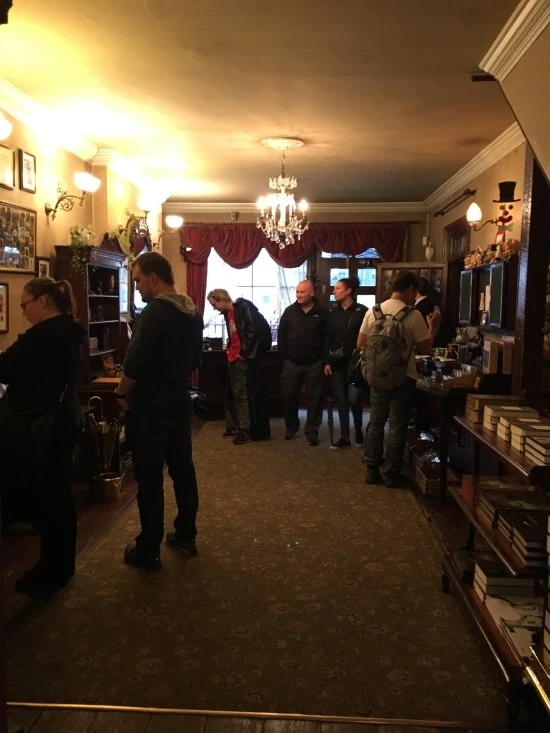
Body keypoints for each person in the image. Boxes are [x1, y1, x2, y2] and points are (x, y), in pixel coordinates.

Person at [116, 252, 203, 570]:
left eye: (138, 280)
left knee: (150, 478)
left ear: (153, 278)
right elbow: (195, 359)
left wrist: (121, 392)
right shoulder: (192, 311)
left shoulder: (153, 312)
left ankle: (148, 548)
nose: (137, 287)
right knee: (183, 470)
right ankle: (186, 535)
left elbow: (135, 362)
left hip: (151, 405)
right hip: (180, 399)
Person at [0, 277, 86, 595]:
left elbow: (6, 368)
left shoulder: (44, 335)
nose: (22, 311)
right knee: (57, 497)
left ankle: (52, 570)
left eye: (24, 304)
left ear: (42, 301)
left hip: (45, 426)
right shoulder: (66, 331)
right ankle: (60, 565)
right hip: (61, 421)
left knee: (47, 499)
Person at [358, 271, 441, 487]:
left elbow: (360, 344)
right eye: (414, 291)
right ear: (410, 288)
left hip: (377, 376)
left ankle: (371, 470)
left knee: (375, 423)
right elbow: (425, 348)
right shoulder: (412, 315)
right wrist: (433, 328)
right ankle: (391, 473)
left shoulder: (373, 311)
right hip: (404, 377)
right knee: (397, 425)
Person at [207, 288, 271, 445]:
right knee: (236, 393)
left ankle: (245, 429)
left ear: (222, 299)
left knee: (241, 394)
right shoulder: (228, 313)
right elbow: (236, 334)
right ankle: (239, 426)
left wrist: (243, 353)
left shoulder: (243, 307)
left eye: (214, 304)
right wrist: (230, 348)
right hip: (234, 356)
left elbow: (252, 331)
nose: (214, 308)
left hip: (242, 357)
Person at [278, 279, 328, 446]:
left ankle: (312, 431)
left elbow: (327, 338)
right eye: (297, 292)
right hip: (292, 363)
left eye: (302, 292)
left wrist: (323, 360)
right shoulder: (289, 311)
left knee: (315, 399)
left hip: (314, 363)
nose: (298, 295)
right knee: (289, 396)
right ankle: (291, 427)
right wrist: (284, 358)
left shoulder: (322, 312)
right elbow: (281, 335)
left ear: (311, 293)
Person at [324, 277, 368, 448]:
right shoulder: (332, 312)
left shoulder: (361, 311)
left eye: (337, 288)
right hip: (337, 362)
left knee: (354, 399)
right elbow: (327, 338)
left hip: (355, 363)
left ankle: (358, 430)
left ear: (348, 290)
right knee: (341, 400)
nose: (334, 291)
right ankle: (344, 436)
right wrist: (327, 361)